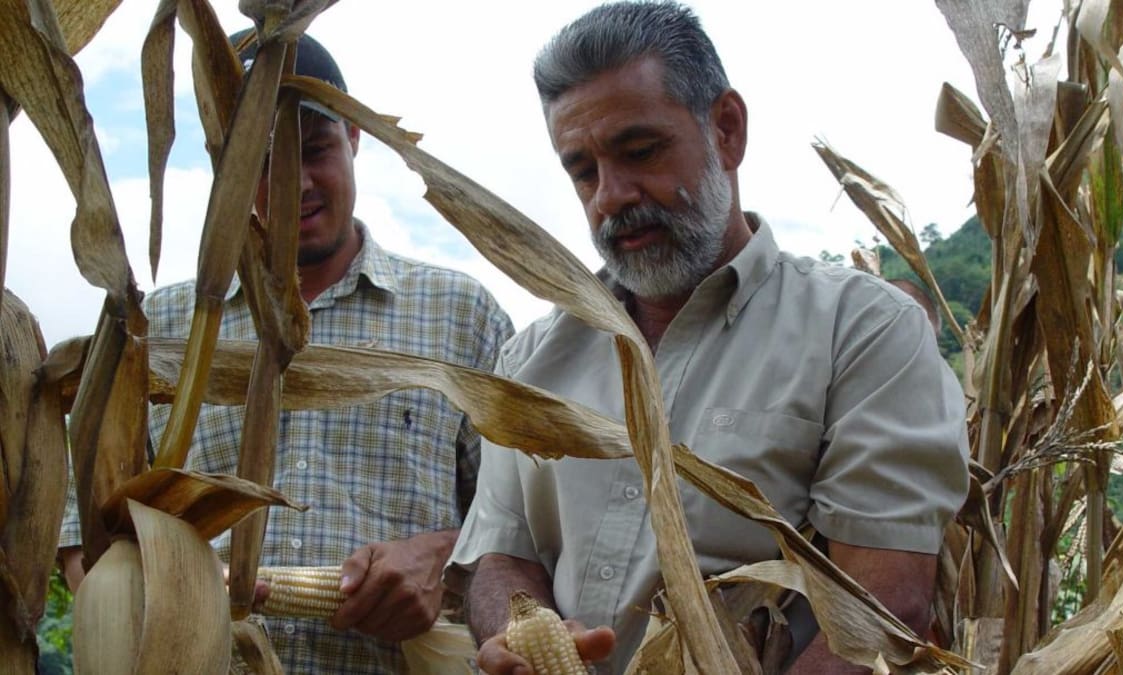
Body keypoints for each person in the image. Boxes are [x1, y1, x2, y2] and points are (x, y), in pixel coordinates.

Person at [445, 2, 969, 673]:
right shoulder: (527, 361)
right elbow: (501, 557)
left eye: (640, 152)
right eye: (583, 171)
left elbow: (881, 610)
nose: (611, 195)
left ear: (727, 129)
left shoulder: (862, 333)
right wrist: (520, 630)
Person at [58, 30, 514, 674]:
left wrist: (441, 556)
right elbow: (81, 534)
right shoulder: (155, 329)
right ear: (225, 166)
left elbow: (519, 526)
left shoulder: (463, 317)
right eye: (263, 160)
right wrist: (166, 592)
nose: (294, 182)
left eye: (317, 149)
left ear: (354, 142)